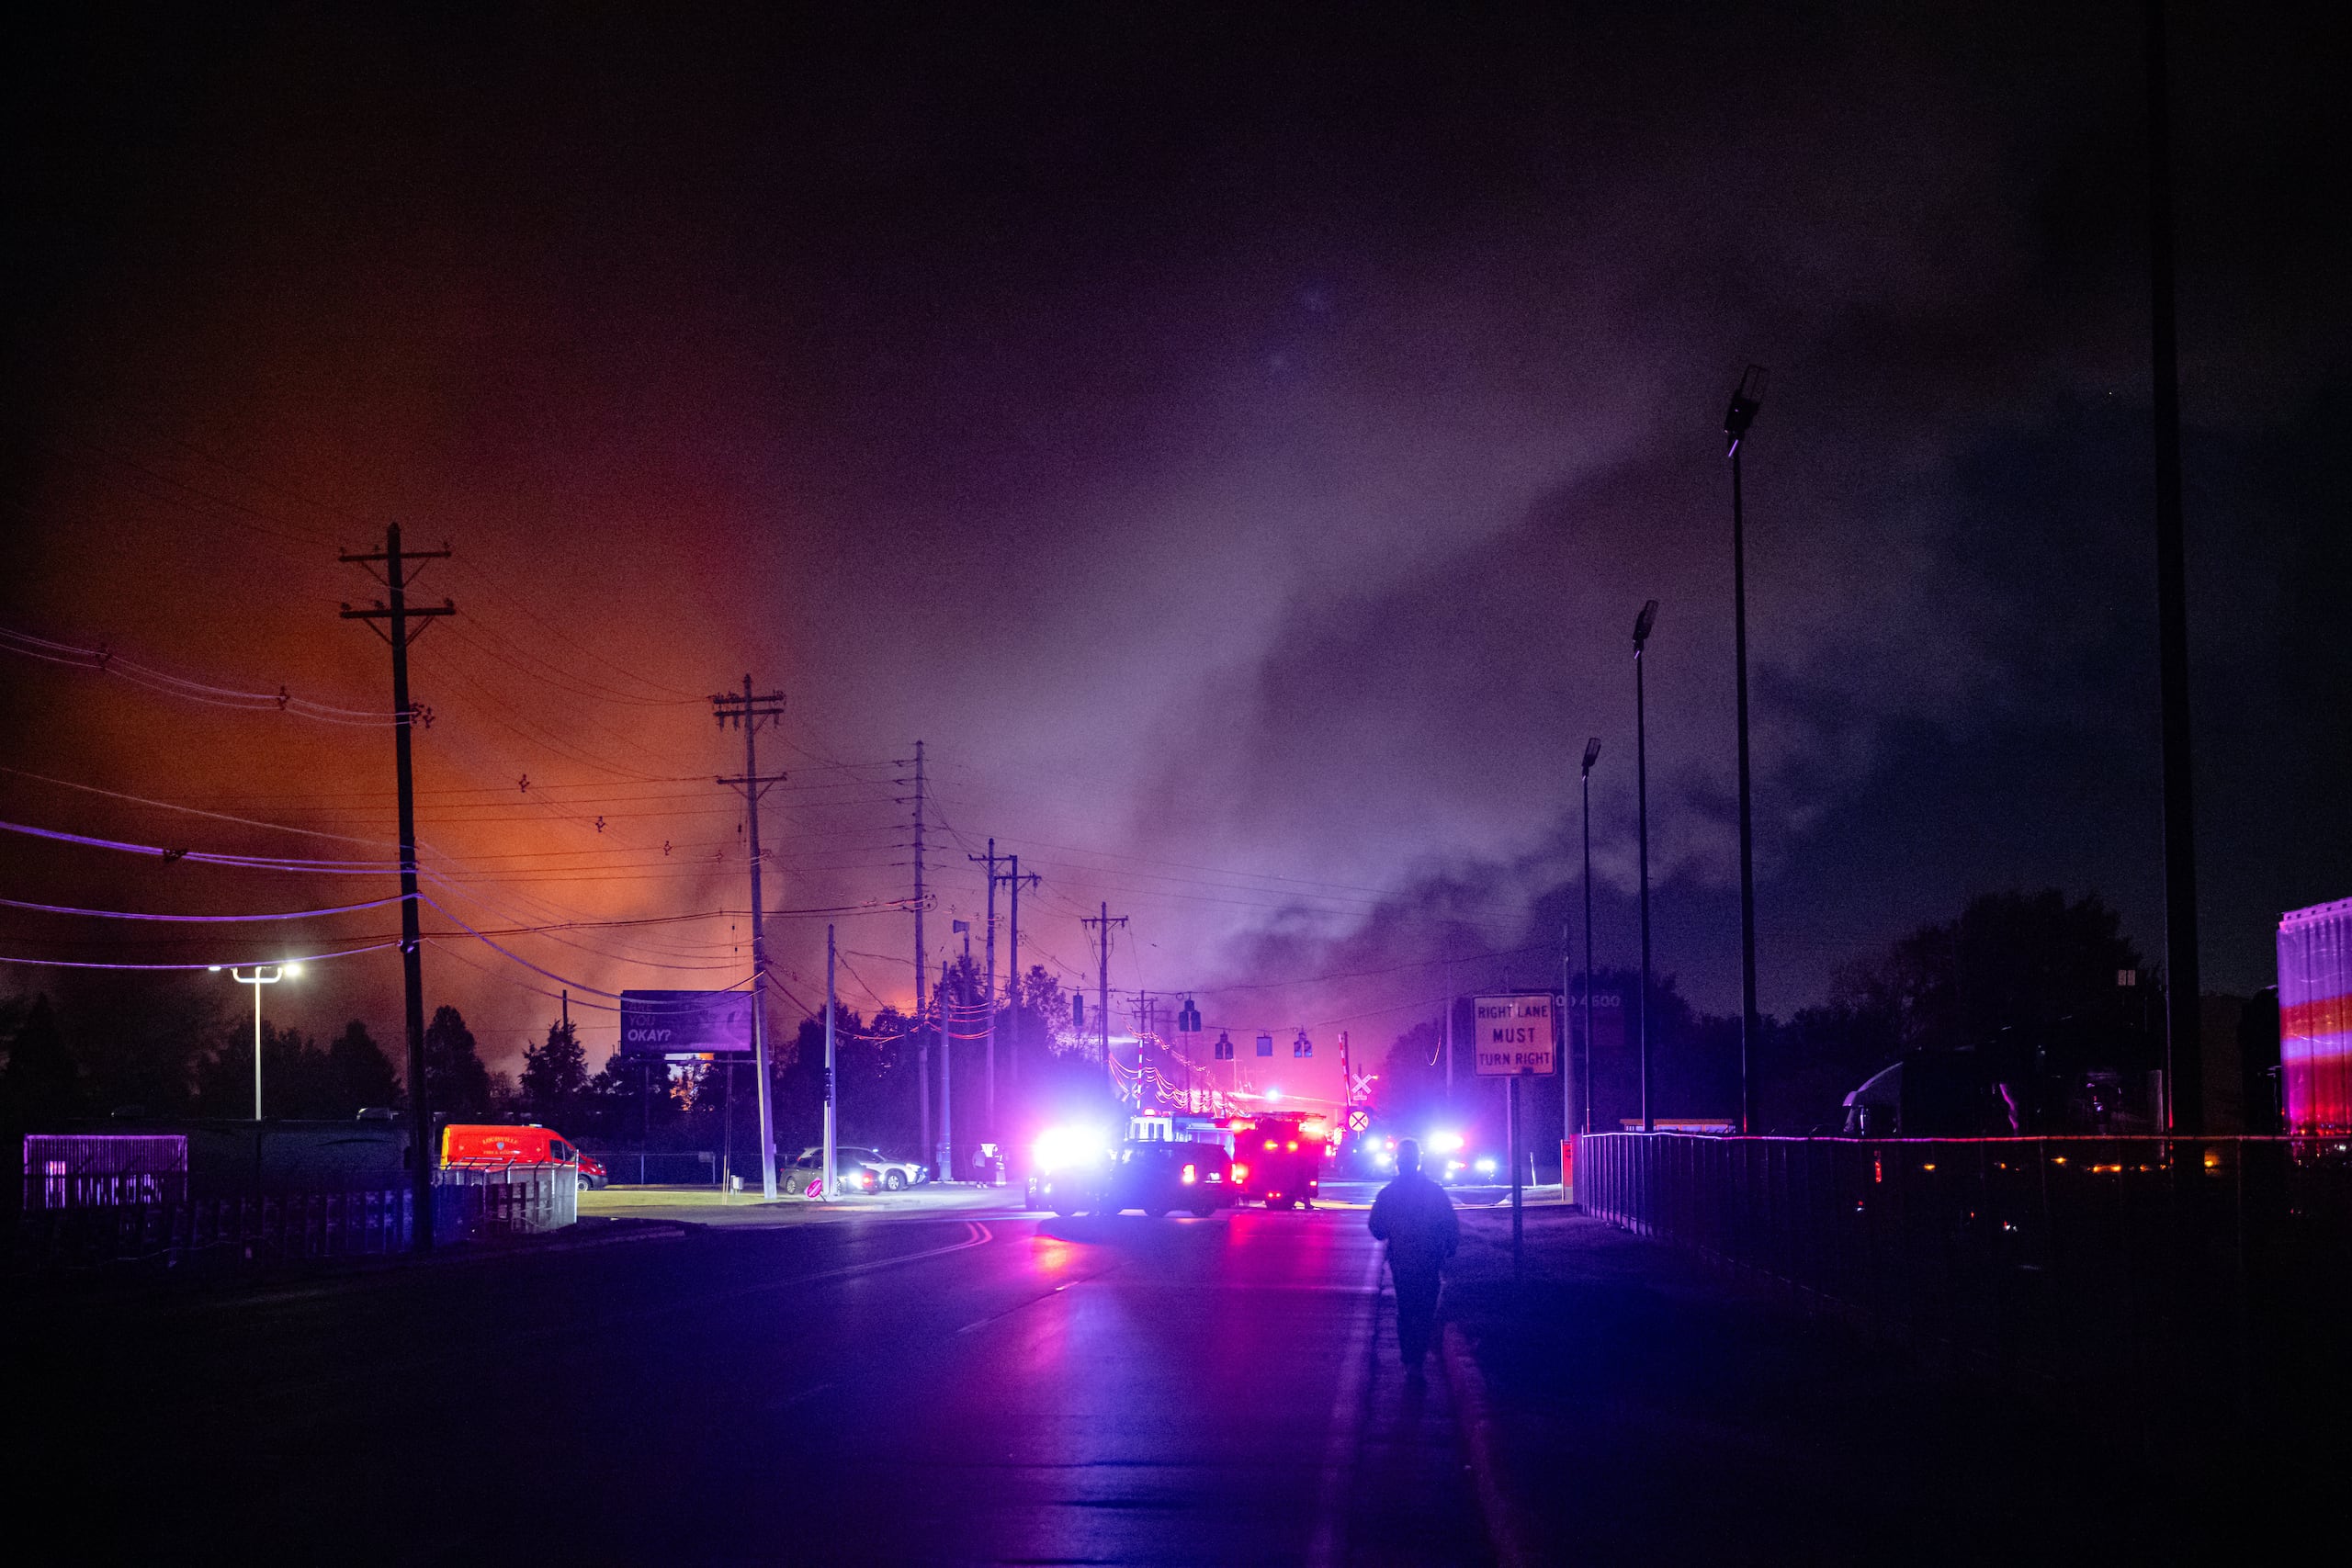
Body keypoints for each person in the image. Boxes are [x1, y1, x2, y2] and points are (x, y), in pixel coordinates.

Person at [1367, 1137, 1458, 1377]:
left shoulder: (1389, 1193)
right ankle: (1416, 1356)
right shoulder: (1434, 1191)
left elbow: (1376, 1228)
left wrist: (1392, 1232)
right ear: (1418, 1161)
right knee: (1426, 1309)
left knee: (1407, 1310)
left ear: (1398, 1162)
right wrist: (1450, 1245)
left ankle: (1411, 1359)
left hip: (1403, 1262)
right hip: (1429, 1260)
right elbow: (1449, 1223)